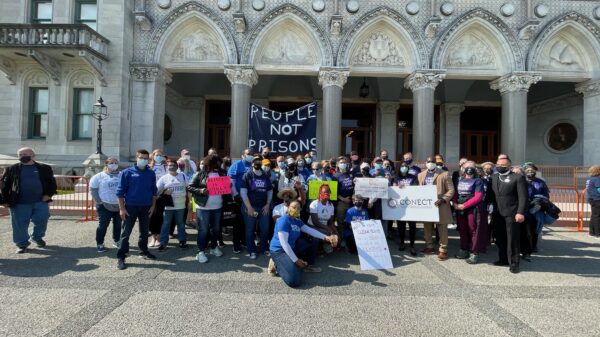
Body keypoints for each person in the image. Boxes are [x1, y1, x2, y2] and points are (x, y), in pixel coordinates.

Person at [268, 201, 337, 287]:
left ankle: (308, 265)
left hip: (291, 247)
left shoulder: (297, 221)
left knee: (313, 240)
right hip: (279, 251)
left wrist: (326, 237)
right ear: (288, 207)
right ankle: (276, 264)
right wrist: (296, 260)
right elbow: (284, 244)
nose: (295, 210)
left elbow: (310, 230)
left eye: (298, 208)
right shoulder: (283, 220)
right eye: (293, 207)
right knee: (294, 281)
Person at [0, 147, 56, 254]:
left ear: (33, 155)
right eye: (20, 155)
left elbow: (52, 183)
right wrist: (4, 200)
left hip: (40, 201)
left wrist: (48, 194)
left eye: (25, 154)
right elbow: (5, 186)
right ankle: (22, 244)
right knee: (19, 224)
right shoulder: (11, 169)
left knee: (42, 220)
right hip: (19, 203)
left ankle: (36, 237)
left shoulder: (44, 168)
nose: (22, 156)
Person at [116, 149, 158, 270]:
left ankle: (144, 251)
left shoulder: (151, 173)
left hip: (146, 207)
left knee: (144, 231)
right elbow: (120, 192)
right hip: (130, 207)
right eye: (141, 158)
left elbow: (154, 191)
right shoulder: (127, 172)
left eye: (146, 158)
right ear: (136, 158)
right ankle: (121, 256)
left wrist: (153, 206)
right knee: (126, 232)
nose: (143, 160)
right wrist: (122, 208)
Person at [490, 155, 528, 273]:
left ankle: (514, 262)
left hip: (512, 213)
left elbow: (523, 197)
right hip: (497, 213)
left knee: (512, 238)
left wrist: (520, 212)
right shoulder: (494, 177)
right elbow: (491, 195)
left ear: (509, 166)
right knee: (500, 237)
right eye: (498, 165)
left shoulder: (517, 177)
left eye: (503, 165)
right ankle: (503, 259)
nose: (500, 167)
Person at [187, 155, 227, 263]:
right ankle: (200, 251)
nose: (218, 165)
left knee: (216, 229)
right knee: (203, 230)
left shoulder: (222, 174)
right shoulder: (199, 174)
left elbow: (226, 190)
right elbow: (189, 186)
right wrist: (200, 191)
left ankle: (213, 247)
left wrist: (228, 186)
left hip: (217, 207)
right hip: (203, 207)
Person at [417, 156, 455, 261]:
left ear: (436, 162)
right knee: (427, 227)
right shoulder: (420, 175)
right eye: (429, 161)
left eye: (433, 162)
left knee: (442, 228)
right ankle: (429, 246)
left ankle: (443, 250)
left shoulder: (444, 174)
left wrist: (443, 199)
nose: (430, 163)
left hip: (441, 204)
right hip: (427, 206)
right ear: (426, 163)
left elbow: (451, 190)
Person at [454, 163, 488, 264]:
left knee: (473, 229)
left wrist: (464, 205)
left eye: (471, 169)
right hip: (460, 209)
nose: (469, 171)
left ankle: (474, 252)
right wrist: (455, 203)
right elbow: (455, 193)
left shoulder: (478, 181)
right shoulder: (459, 180)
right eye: (466, 168)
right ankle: (464, 249)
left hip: (472, 208)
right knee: (462, 229)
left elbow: (478, 197)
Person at [240, 156, 273, 259]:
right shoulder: (247, 175)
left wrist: (268, 205)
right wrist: (249, 207)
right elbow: (243, 192)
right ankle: (252, 250)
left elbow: (270, 191)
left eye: (259, 161)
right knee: (250, 230)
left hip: (263, 207)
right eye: (255, 161)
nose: (257, 163)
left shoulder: (265, 175)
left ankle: (264, 248)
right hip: (251, 207)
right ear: (252, 163)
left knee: (265, 228)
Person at [90, 157, 122, 253]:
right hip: (104, 205)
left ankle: (117, 241)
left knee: (118, 225)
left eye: (115, 163)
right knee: (103, 225)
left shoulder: (122, 175)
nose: (113, 164)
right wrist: (99, 201)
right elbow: (93, 189)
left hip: (119, 205)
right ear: (106, 164)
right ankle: (100, 243)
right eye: (111, 163)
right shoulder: (99, 176)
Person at [156, 159, 189, 251]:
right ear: (167, 167)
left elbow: (188, 187)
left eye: (173, 165)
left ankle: (182, 241)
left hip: (181, 205)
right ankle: (163, 243)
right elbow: (157, 191)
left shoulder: (183, 176)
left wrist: (189, 202)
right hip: (168, 206)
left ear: (177, 166)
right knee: (166, 224)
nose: (171, 167)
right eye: (169, 165)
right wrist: (165, 192)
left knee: (181, 224)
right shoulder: (164, 178)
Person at [227, 148, 254, 253]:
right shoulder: (237, 165)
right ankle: (236, 244)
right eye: (248, 154)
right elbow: (231, 181)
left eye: (252, 154)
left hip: (251, 199)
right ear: (243, 155)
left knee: (247, 223)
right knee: (238, 223)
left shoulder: (254, 165)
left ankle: (244, 241)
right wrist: (235, 194)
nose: (250, 155)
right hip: (238, 199)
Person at [522, 162, 550, 256]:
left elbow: (546, 195)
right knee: (525, 229)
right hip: (524, 208)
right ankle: (523, 247)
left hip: (537, 209)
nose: (530, 172)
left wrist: (540, 204)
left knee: (535, 229)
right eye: (528, 170)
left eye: (532, 170)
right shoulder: (521, 181)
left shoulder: (541, 182)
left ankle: (533, 246)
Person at [396, 161, 418, 256]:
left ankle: (412, 245)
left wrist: (405, 188)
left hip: (411, 206)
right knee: (401, 226)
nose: (404, 167)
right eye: (402, 166)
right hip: (399, 206)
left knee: (412, 226)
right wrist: (396, 187)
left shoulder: (413, 177)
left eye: (405, 166)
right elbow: (393, 188)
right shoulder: (396, 177)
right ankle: (402, 242)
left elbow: (416, 188)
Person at [308, 184, 337, 254]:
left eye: (328, 193)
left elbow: (330, 222)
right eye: (324, 192)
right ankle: (323, 245)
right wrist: (329, 229)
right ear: (320, 193)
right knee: (327, 232)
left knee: (336, 234)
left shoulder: (331, 205)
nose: (326, 194)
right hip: (313, 226)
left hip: (324, 227)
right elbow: (315, 222)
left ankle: (328, 244)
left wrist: (335, 232)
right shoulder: (314, 204)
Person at [149, 149, 167, 247]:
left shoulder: (166, 167)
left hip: (161, 194)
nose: (159, 157)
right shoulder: (149, 167)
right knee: (152, 215)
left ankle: (159, 237)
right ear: (153, 156)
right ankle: (153, 237)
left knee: (159, 216)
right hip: (150, 194)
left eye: (160, 155)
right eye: (157, 155)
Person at [333, 157, 354, 236]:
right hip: (341, 202)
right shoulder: (335, 176)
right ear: (338, 164)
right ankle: (341, 238)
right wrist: (343, 199)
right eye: (341, 162)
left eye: (345, 162)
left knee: (350, 222)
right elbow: (333, 191)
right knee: (341, 221)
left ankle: (350, 238)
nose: (343, 164)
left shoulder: (351, 174)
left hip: (352, 202)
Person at [585, 165, 600, 239]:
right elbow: (599, 189)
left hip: (591, 198)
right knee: (597, 216)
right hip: (597, 199)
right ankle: (598, 233)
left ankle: (591, 233)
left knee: (594, 216)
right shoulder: (597, 179)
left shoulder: (589, 179)